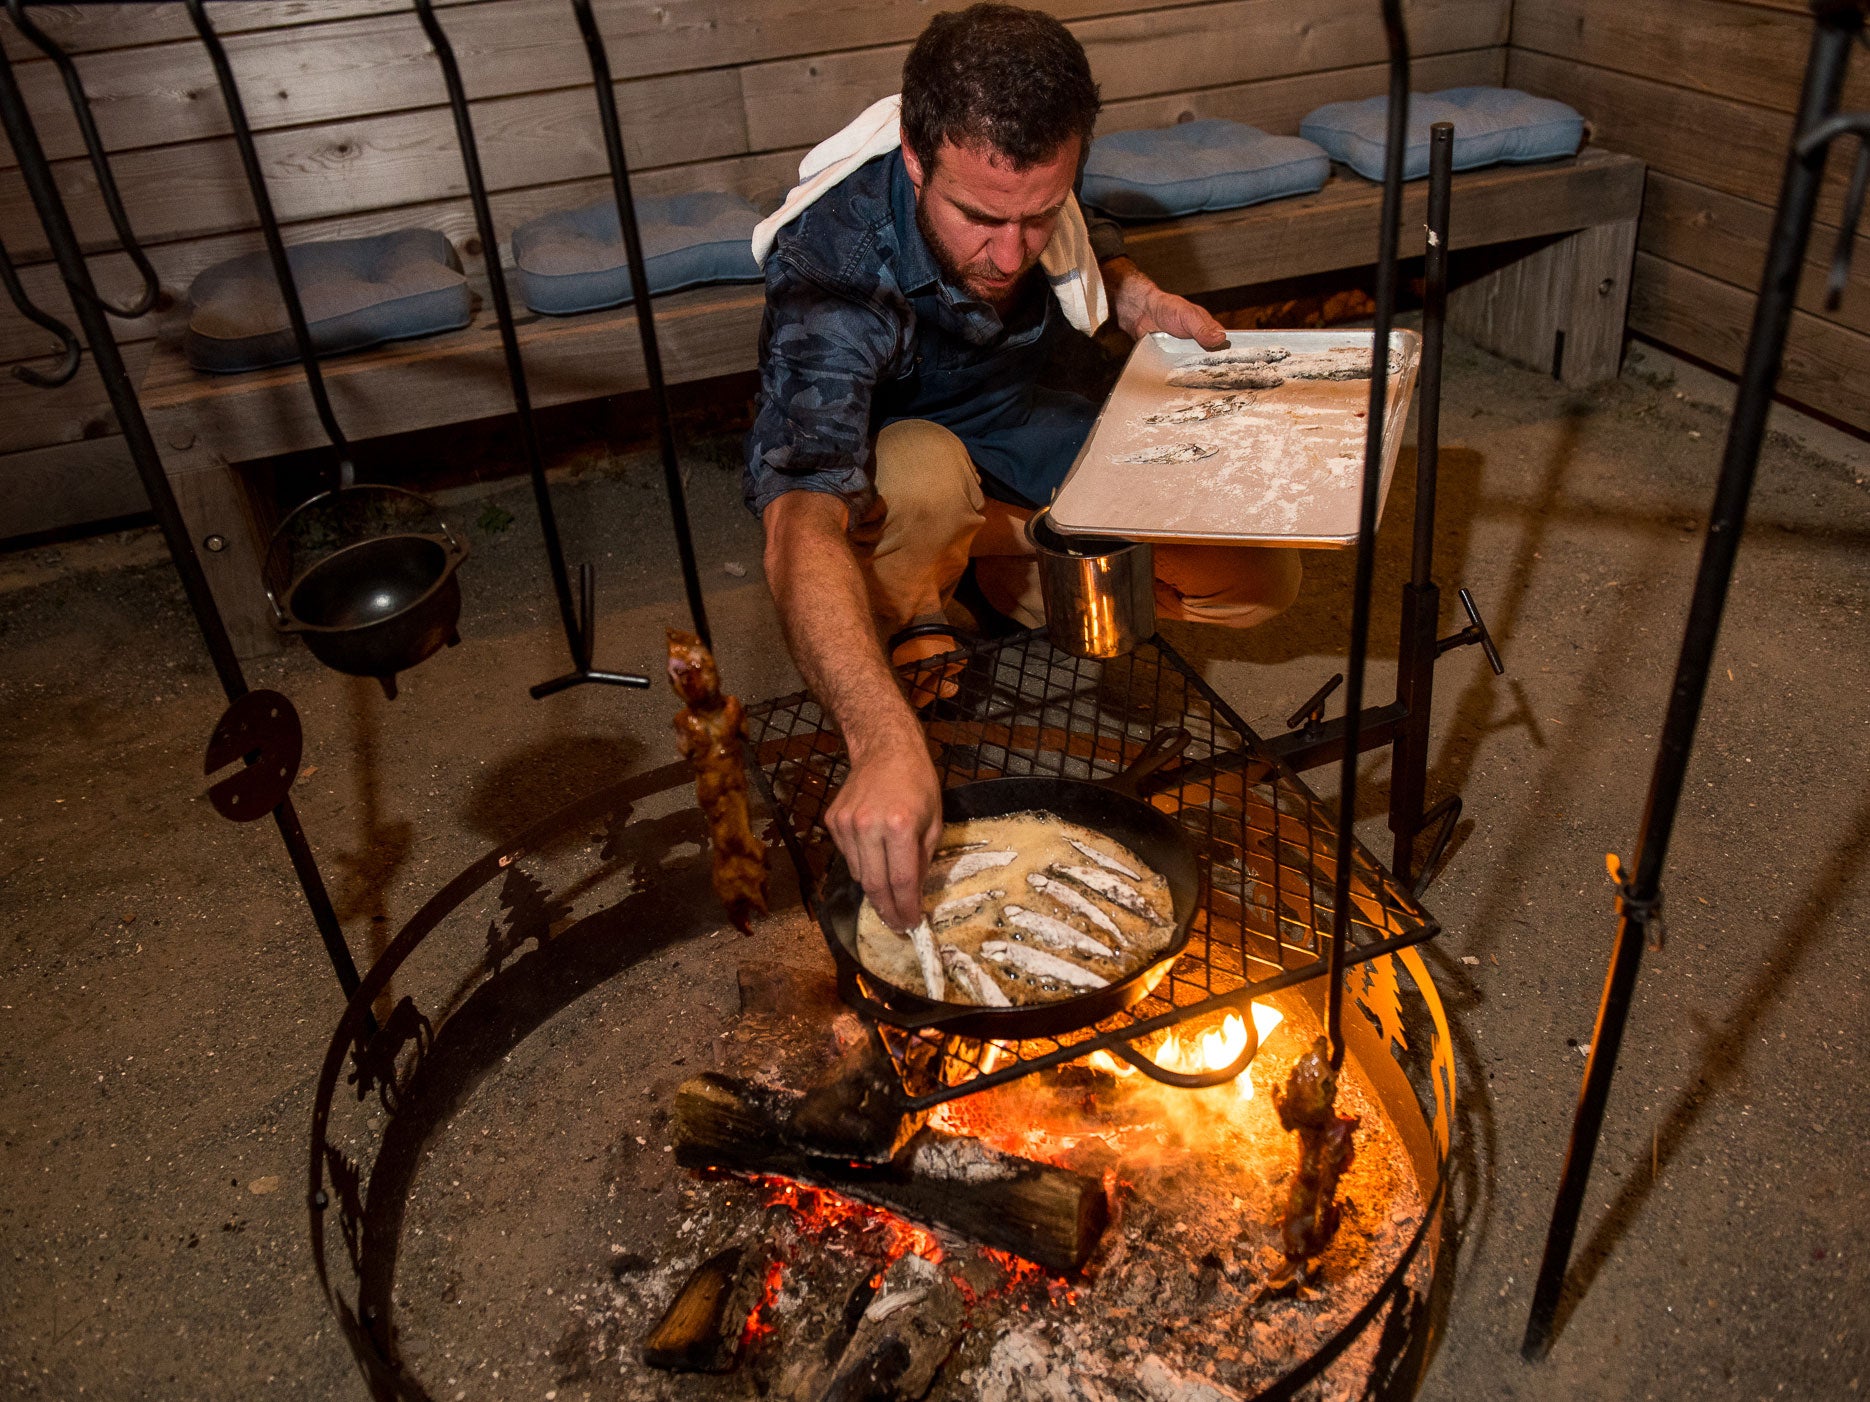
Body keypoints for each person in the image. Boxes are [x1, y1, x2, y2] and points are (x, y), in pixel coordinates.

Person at [745, 4, 1302, 932]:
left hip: (1028, 409)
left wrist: (1135, 295)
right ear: (917, 160)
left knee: (1258, 575)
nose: (1008, 255)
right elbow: (798, 516)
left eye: (1038, 218)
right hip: (907, 458)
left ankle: (991, 567)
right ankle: (926, 596)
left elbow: (1096, 232)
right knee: (919, 480)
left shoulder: (1036, 181)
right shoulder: (833, 268)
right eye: (978, 219)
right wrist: (879, 740)